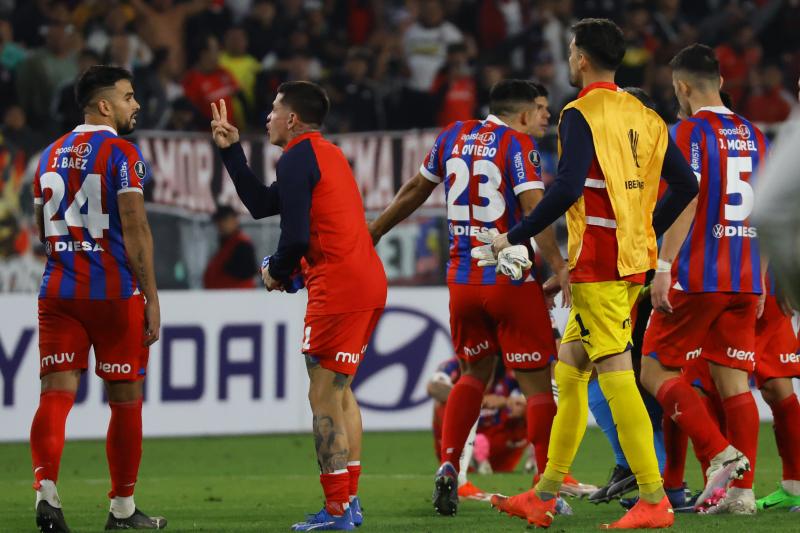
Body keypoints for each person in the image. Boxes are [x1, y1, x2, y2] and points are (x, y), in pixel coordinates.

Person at [485, 19, 698, 529]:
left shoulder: (579, 113)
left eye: (570, 50)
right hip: (625, 261)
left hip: (602, 263)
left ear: (581, 58)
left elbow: (566, 187)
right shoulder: (644, 114)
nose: (568, 58)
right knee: (571, 371)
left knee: (616, 374)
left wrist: (515, 235)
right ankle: (544, 493)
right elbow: (686, 184)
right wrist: (645, 229)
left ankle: (654, 498)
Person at [369, 79, 589, 517]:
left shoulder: (453, 135)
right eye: (541, 109)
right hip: (508, 278)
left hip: (462, 280)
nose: (546, 116)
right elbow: (535, 209)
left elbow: (415, 189)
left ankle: (450, 465)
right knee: (536, 386)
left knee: (472, 373)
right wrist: (559, 265)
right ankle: (545, 489)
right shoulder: (517, 145)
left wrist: (374, 230)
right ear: (522, 114)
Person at [209, 82, 387, 531]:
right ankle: (349, 503)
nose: (267, 117)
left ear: (292, 119)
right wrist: (231, 152)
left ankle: (336, 510)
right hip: (366, 281)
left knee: (322, 395)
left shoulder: (295, 158)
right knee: (341, 393)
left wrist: (276, 270)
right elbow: (262, 205)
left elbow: (294, 238)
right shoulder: (326, 155)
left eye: (273, 110)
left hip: (338, 289)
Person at [29, 65, 164, 531]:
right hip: (112, 292)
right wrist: (151, 296)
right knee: (125, 400)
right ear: (104, 105)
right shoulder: (122, 153)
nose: (136, 105)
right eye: (128, 97)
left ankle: (46, 491)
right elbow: (136, 226)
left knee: (55, 395)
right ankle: (123, 508)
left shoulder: (47, 154)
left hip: (58, 291)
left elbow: (41, 228)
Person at [639, 43, 770, 515]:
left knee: (653, 370)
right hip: (745, 275)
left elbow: (688, 198)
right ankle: (742, 494)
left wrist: (663, 266)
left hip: (698, 275)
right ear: (721, 82)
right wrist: (761, 277)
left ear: (682, 86)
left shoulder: (687, 132)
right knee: (735, 384)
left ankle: (720, 452)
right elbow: (769, 208)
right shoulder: (756, 134)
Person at [202, 205, 258, 289]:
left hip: (237, 295)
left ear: (234, 220)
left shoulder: (242, 244)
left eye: (224, 220)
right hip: (224, 294)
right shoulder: (227, 244)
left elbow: (247, 272)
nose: (221, 224)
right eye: (218, 221)